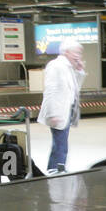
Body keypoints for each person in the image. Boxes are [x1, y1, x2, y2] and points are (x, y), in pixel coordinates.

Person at [37, 39, 86, 174]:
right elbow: (50, 90)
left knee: (60, 140)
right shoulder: (55, 66)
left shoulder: (68, 67)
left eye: (80, 53)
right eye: (76, 52)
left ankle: (55, 166)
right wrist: (53, 114)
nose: (78, 56)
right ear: (66, 52)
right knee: (61, 141)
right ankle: (57, 167)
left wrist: (79, 71)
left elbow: (76, 88)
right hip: (58, 110)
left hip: (67, 110)